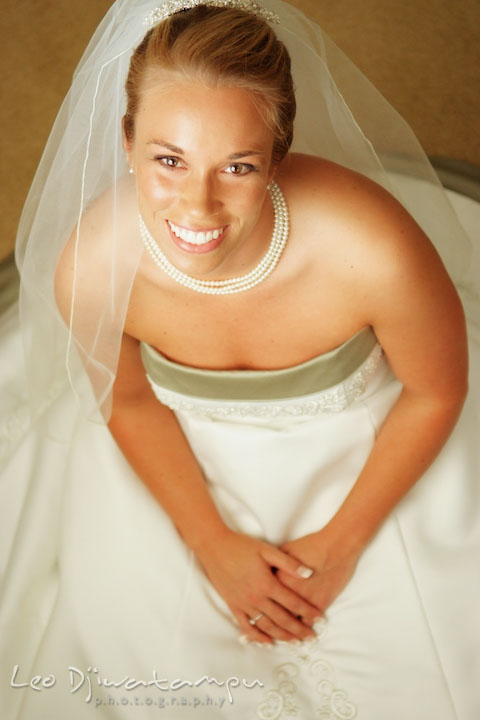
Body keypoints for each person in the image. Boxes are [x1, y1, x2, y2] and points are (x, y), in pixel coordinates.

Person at [1, 0, 479, 718]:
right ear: (128, 141)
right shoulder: (93, 268)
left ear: (278, 156)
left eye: (238, 166)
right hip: (183, 464)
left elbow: (437, 392)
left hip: (374, 454)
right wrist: (210, 541)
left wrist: (340, 546)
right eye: (169, 160)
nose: (198, 206)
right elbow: (128, 401)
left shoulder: (371, 248)